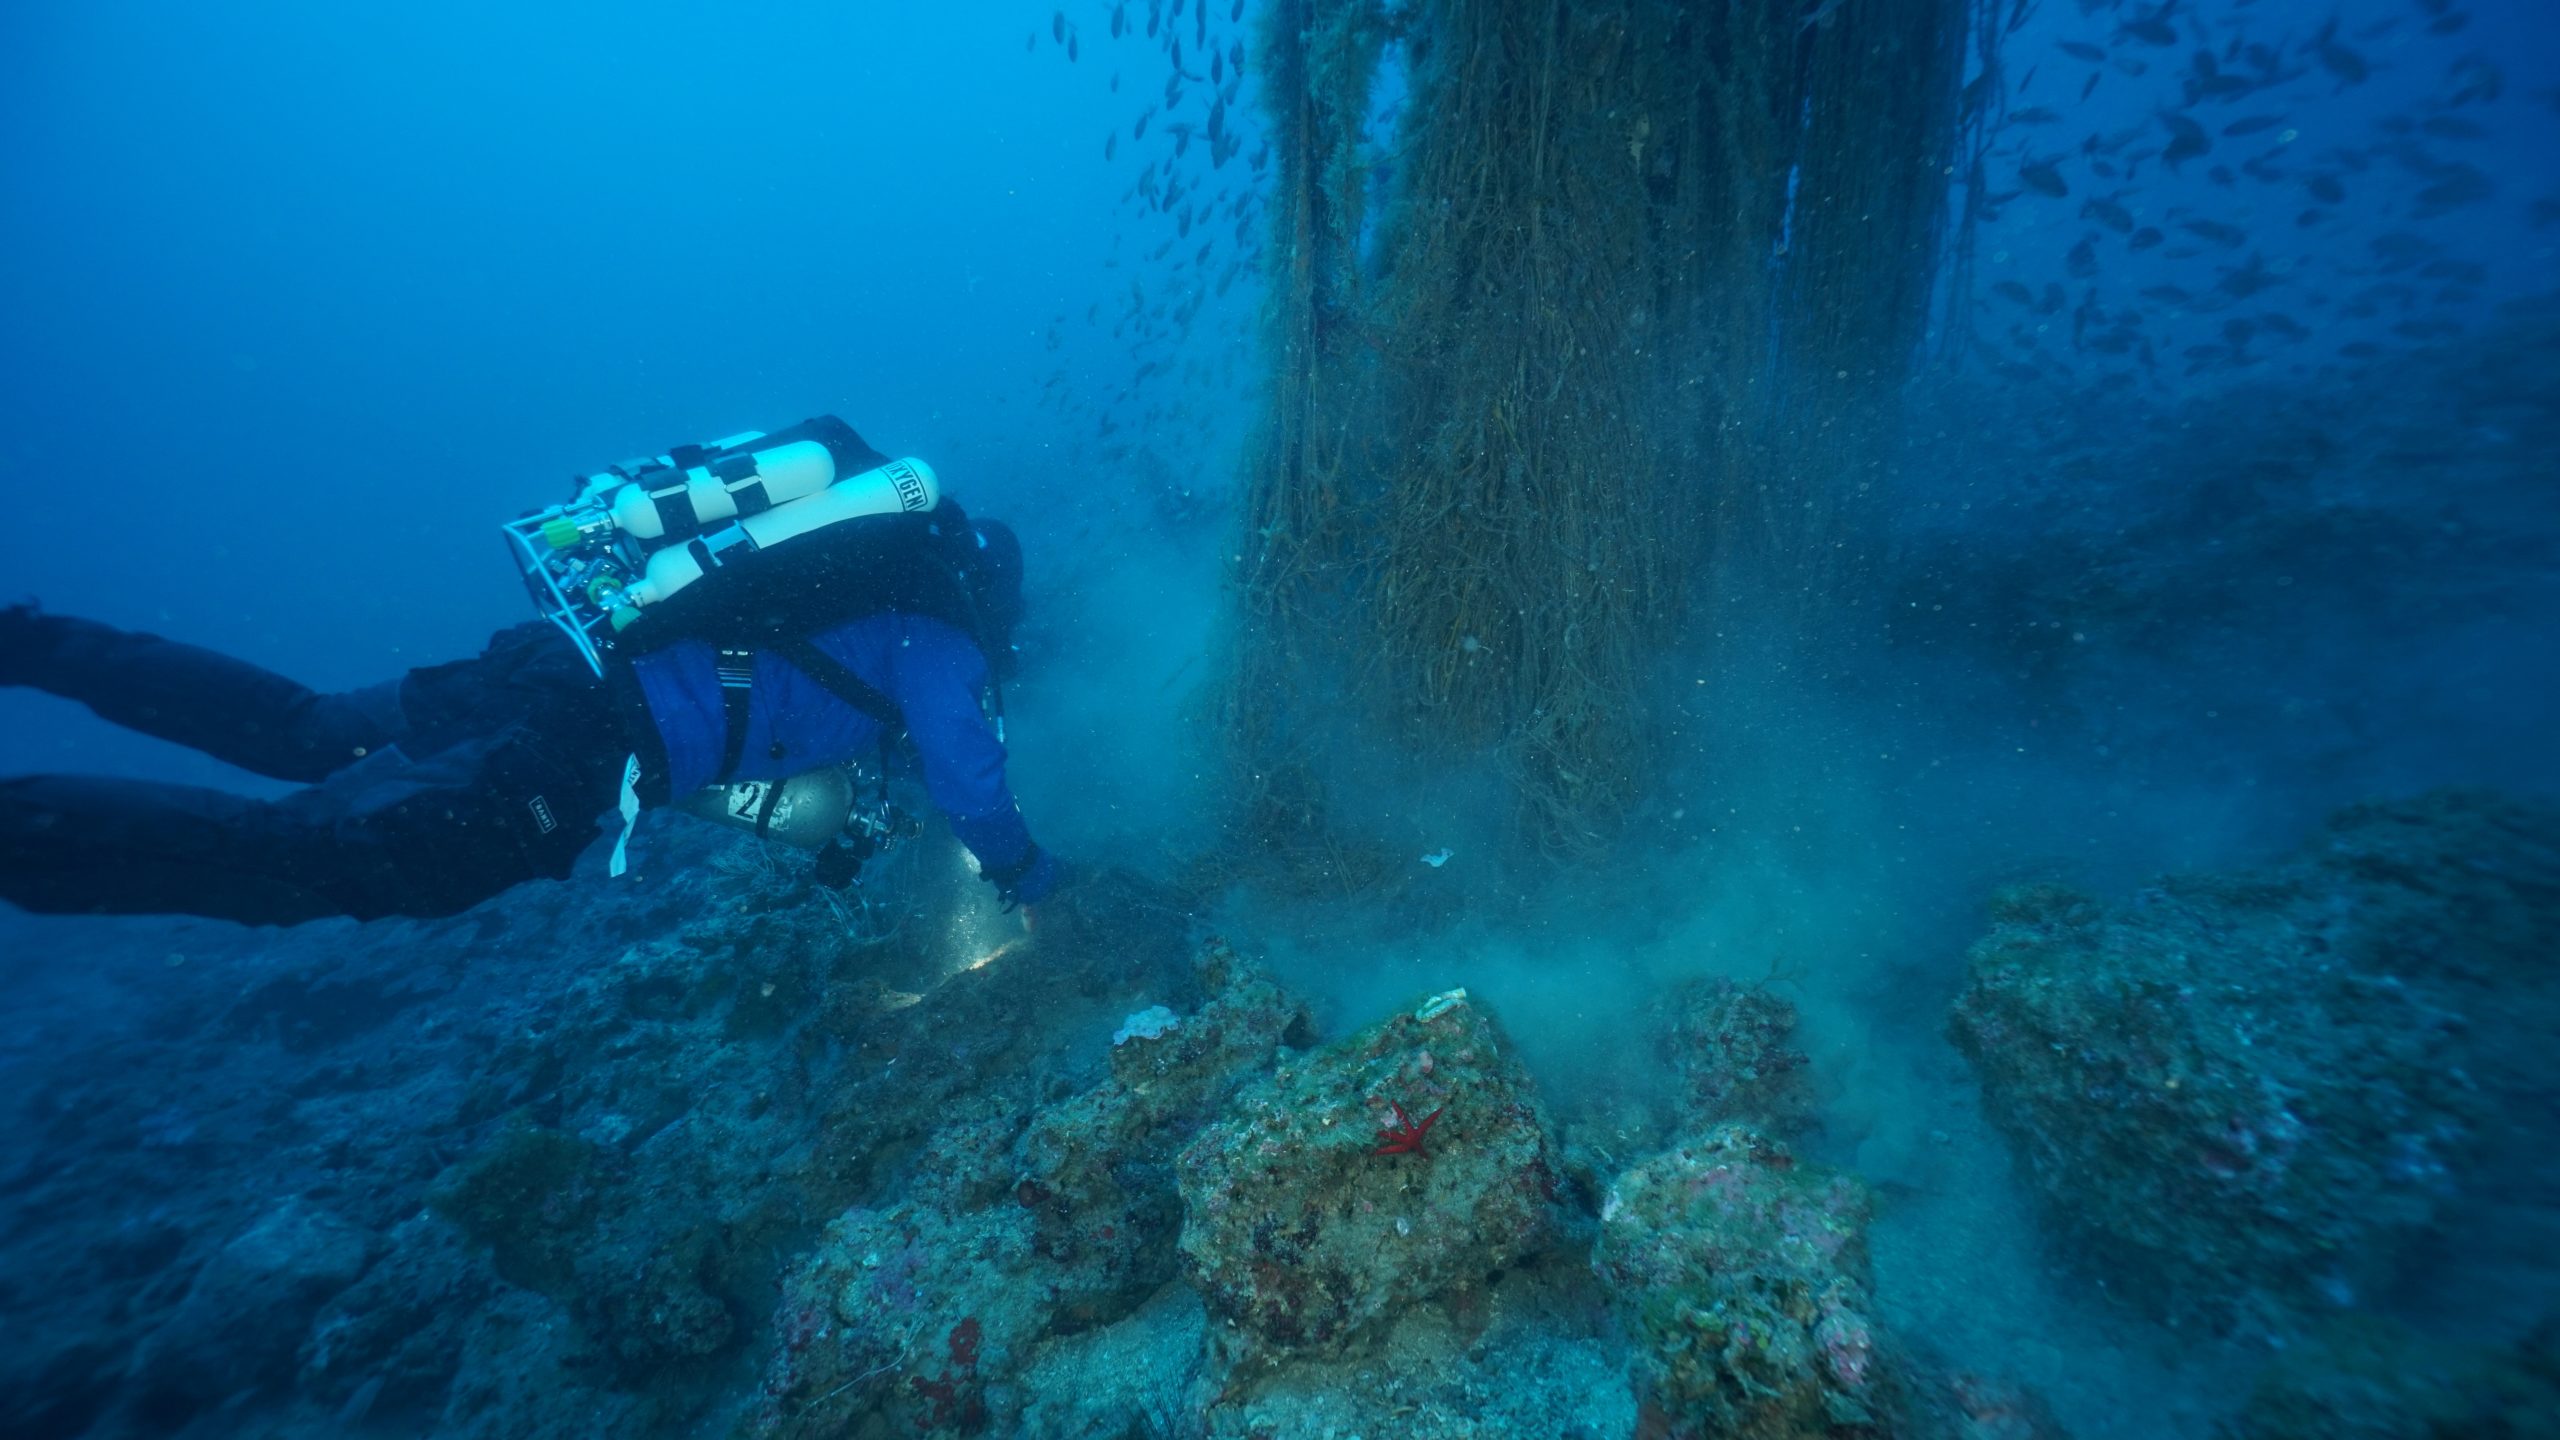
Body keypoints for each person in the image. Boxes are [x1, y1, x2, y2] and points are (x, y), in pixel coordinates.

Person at [0, 470, 1060, 927]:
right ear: (991, 599)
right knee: (300, 863)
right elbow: (969, 778)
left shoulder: (860, 594)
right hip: (571, 749)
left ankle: (36, 642)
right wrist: (1032, 874)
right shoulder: (941, 641)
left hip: (553, 655)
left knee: (305, 729)